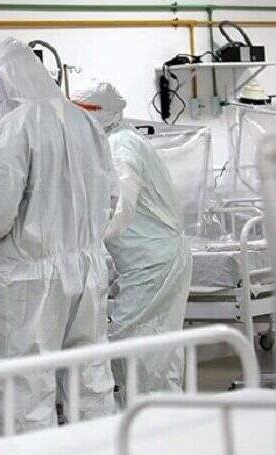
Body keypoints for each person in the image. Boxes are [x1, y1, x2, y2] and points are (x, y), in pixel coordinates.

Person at [0, 37, 117, 435]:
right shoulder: (85, 121)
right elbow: (109, 196)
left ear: (2, 81)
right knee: (91, 379)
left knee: (27, 387)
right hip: (87, 265)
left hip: (28, 278)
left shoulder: (13, 130)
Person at [70, 79, 193, 396]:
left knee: (131, 339)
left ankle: (140, 420)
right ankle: (167, 416)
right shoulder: (115, 141)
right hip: (154, 256)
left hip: (152, 260)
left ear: (100, 113)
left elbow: (122, 207)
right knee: (159, 343)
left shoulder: (120, 146)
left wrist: (90, 242)